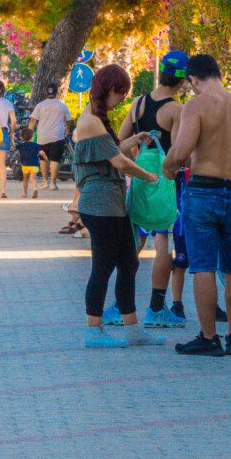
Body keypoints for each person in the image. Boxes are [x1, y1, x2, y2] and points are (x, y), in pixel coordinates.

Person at [162, 52, 231, 357]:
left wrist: (168, 168)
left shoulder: (195, 106)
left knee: (203, 267)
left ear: (193, 79)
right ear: (219, 75)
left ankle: (209, 337)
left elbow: (181, 151)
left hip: (204, 193)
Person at [73, 64, 163, 348]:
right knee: (103, 267)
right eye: (120, 92)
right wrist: (148, 175)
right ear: (107, 89)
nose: (122, 98)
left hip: (113, 203)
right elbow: (120, 162)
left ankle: (132, 329)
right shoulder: (91, 121)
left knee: (128, 263)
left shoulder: (97, 118)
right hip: (100, 205)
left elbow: (110, 152)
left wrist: (134, 140)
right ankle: (93, 331)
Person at [127, 52, 191, 329]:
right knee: (164, 239)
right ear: (183, 80)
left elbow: (122, 140)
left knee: (136, 240)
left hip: (142, 180)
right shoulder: (177, 109)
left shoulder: (138, 103)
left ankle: (120, 303)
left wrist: (138, 160)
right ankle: (155, 308)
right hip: (167, 183)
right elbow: (177, 152)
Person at [31, 82, 72, 191]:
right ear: (57, 92)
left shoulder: (40, 105)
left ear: (46, 92)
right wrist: (67, 128)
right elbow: (68, 119)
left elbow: (33, 120)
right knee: (55, 160)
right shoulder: (63, 106)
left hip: (42, 137)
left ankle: (45, 182)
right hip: (57, 137)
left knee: (43, 159)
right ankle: (53, 183)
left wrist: (29, 132)